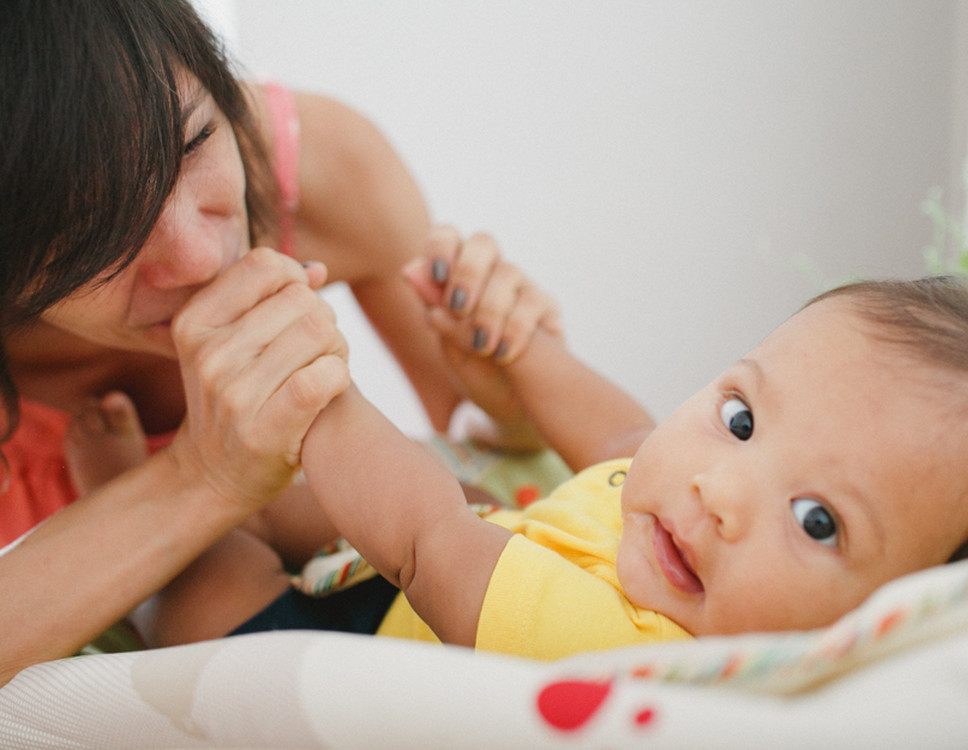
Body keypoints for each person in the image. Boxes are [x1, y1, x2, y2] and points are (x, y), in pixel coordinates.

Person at [147, 232, 968, 658]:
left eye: (818, 520)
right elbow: (622, 436)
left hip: (369, 638)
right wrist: (521, 350)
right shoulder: (691, 515)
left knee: (213, 579)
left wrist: (315, 389)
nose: (722, 489)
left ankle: (126, 487)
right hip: (428, 557)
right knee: (286, 493)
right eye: (743, 418)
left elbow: (427, 539)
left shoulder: (637, 653)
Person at [0, 0, 556, 684]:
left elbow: (477, 443)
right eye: (96, 233)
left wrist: (518, 392)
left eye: (195, 141)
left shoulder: (325, 172)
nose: (202, 257)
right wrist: (204, 477)